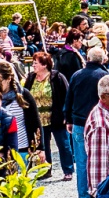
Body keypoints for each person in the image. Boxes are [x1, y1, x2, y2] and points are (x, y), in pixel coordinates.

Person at [64, 47, 108, 198]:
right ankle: (98, 194)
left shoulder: (77, 75)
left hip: (79, 122)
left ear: (87, 59)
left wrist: (68, 118)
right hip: (99, 123)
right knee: (100, 161)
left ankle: (83, 197)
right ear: (103, 59)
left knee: (81, 161)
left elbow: (69, 98)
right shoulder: (105, 76)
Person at [25, 52, 73, 181]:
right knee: (42, 146)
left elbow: (67, 97)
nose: (33, 65)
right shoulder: (30, 78)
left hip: (56, 117)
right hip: (38, 119)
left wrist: (67, 115)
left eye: (36, 63)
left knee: (63, 144)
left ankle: (68, 170)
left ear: (45, 65)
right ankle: (45, 170)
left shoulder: (57, 77)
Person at [0, 61, 43, 166]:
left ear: (9, 79)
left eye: (0, 80)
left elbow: (35, 122)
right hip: (0, 151)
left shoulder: (23, 94)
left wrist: (40, 148)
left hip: (22, 148)